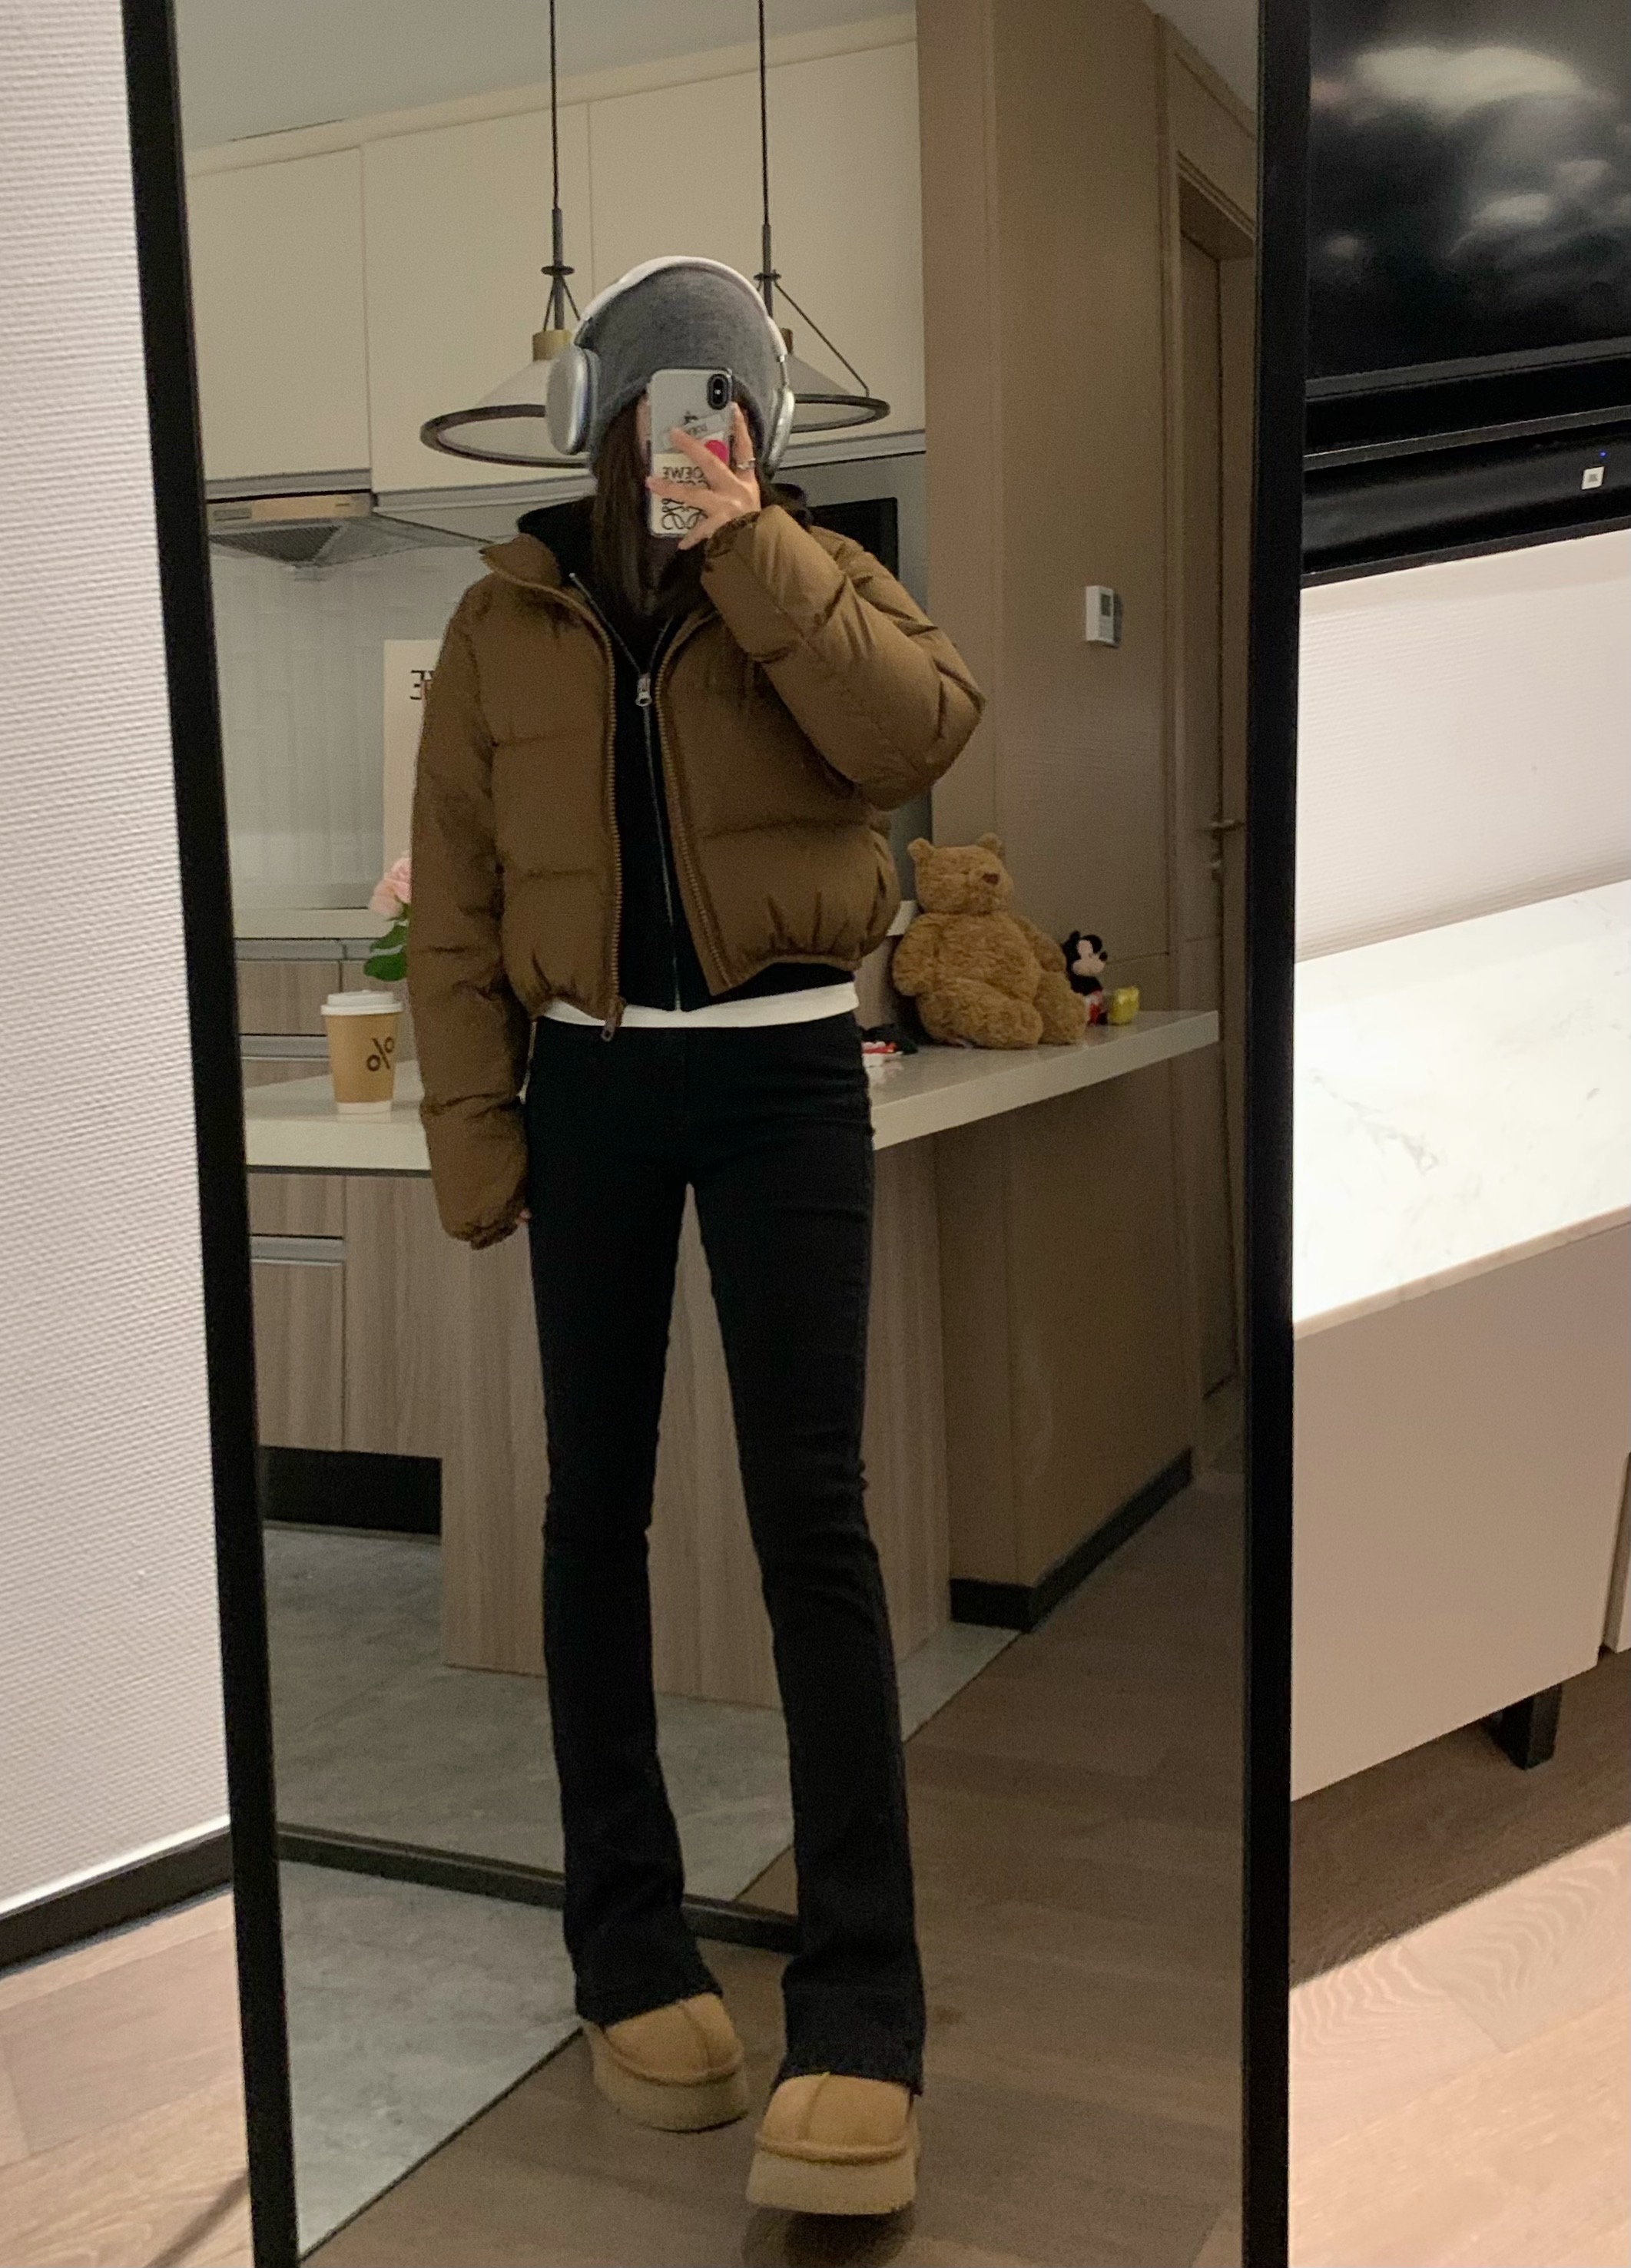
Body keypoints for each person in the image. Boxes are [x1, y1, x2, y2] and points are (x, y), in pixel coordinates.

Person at [407, 257, 983, 2217]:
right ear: (597, 418)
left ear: (765, 427)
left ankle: (862, 2014)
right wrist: (476, 1124)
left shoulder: (811, 572)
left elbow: (919, 732)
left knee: (814, 1518)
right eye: (669, 403)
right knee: (593, 1513)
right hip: (591, 1087)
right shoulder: (502, 619)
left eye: (727, 406)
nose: (696, 435)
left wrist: (754, 555)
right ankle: (627, 1947)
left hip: (784, 1080)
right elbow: (462, 896)